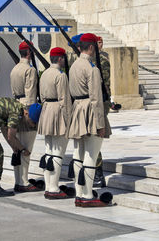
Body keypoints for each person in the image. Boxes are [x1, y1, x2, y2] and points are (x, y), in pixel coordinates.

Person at [67, 33, 112, 207]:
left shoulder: (73, 66)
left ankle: (79, 193)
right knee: (91, 155)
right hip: (90, 111)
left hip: (77, 109)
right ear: (92, 47)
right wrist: (100, 124)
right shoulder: (92, 68)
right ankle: (87, 194)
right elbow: (96, 98)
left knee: (78, 154)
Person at [38, 47, 73, 199]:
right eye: (64, 58)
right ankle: (53, 188)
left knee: (49, 152)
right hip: (58, 112)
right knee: (58, 153)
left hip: (46, 112)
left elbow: (41, 95)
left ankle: (48, 185)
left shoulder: (44, 73)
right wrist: (69, 120)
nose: (65, 61)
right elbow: (65, 100)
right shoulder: (61, 75)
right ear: (60, 59)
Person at [10, 41, 41, 192]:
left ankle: (18, 180)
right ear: (29, 53)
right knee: (26, 148)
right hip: (26, 110)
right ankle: (23, 182)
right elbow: (30, 94)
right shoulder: (30, 70)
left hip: (15, 108)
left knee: (18, 147)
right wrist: (30, 115)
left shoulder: (15, 69)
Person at [92, 36, 113, 188]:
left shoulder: (102, 60)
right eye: (98, 42)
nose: (101, 45)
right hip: (94, 101)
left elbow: (104, 82)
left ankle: (98, 173)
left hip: (99, 101)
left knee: (95, 137)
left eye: (101, 42)